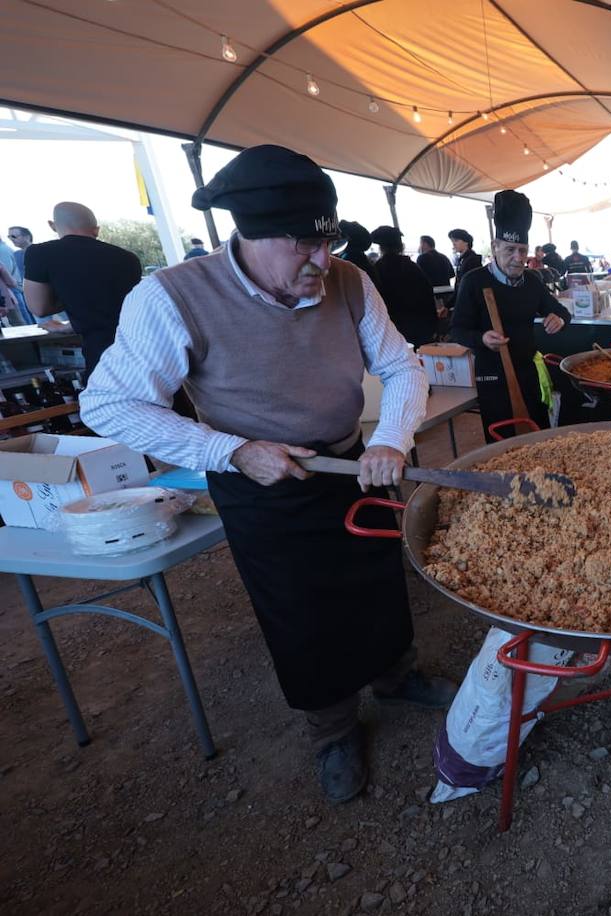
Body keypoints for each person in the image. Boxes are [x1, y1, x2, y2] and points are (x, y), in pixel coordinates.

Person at [79, 144, 455, 804]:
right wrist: (231, 449)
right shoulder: (171, 297)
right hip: (261, 485)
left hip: (351, 464)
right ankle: (332, 728)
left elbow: (400, 368)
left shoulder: (348, 281)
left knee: (377, 583)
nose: (320, 262)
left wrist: (392, 440)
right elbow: (108, 403)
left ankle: (397, 676)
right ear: (246, 234)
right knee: (301, 610)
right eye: (301, 247)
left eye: (327, 242)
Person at [449, 190, 569, 441]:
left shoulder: (532, 282)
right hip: (492, 375)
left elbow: (560, 311)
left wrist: (559, 319)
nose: (518, 258)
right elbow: (458, 330)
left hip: (527, 371)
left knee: (538, 437)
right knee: (501, 441)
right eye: (510, 250)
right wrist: (482, 339)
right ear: (495, 246)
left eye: (523, 251)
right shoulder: (474, 281)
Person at [24, 202, 141, 376]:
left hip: (101, 352)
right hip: (142, 346)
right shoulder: (127, 257)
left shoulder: (40, 253)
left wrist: (72, 297)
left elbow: (39, 308)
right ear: (96, 229)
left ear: (52, 225)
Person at [370, 226, 438, 347]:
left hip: (393, 331)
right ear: (400, 246)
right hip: (420, 327)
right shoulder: (412, 267)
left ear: (381, 248)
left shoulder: (377, 270)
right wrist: (433, 326)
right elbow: (428, 295)